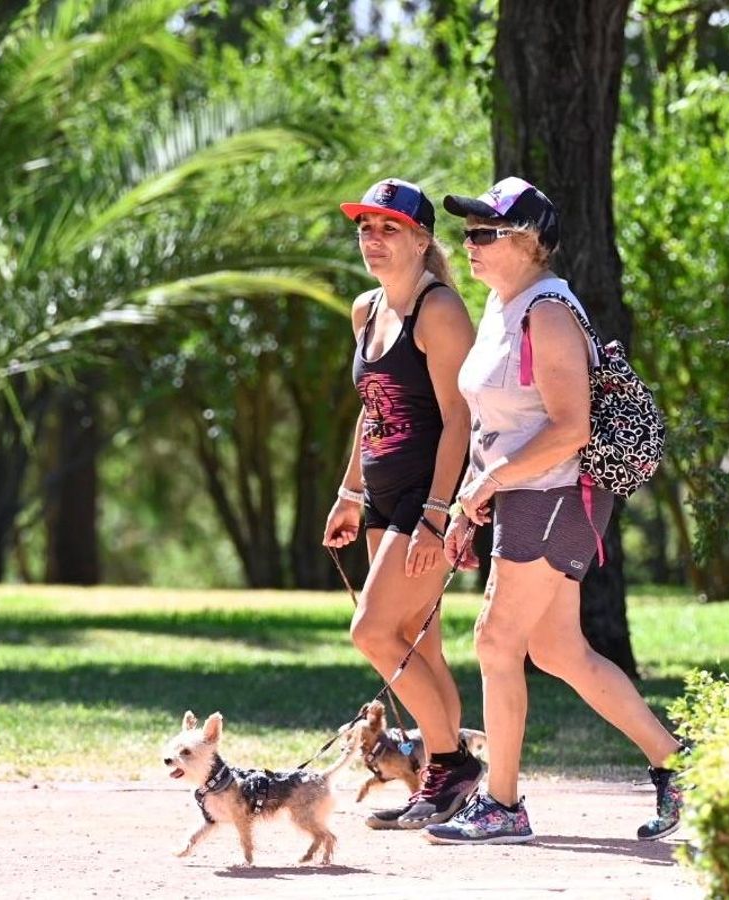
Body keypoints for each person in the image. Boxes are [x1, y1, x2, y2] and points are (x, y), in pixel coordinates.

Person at [423, 177, 686, 846]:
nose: (470, 245)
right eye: (469, 232)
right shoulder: (501, 306)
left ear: (531, 243)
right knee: (558, 648)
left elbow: (570, 428)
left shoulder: (547, 310)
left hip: (557, 493)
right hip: (525, 495)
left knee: (494, 640)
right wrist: (474, 499)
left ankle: (504, 804)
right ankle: (682, 763)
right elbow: (497, 423)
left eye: (486, 233)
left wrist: (484, 487)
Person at [323, 178, 483, 831]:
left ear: (422, 239)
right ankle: (443, 783)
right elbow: (374, 414)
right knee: (424, 646)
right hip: (383, 497)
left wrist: (438, 515)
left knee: (372, 631)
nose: (374, 240)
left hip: (426, 498)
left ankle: (451, 762)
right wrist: (350, 492)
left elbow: (460, 420)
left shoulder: (439, 311)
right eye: (366, 228)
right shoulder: (366, 310)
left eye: (389, 228)